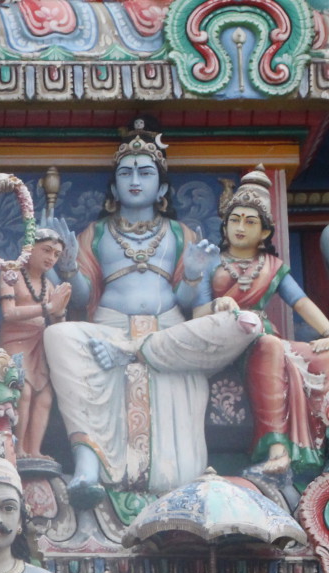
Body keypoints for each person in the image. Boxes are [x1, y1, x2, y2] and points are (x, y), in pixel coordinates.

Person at [45, 120, 260, 503]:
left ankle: (134, 351)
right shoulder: (96, 233)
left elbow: (192, 305)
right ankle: (87, 467)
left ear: (161, 188)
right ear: (113, 188)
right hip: (108, 330)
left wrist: (193, 273)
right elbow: (80, 298)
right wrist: (66, 267)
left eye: (145, 173)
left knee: (245, 323)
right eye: (125, 173)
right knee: (58, 335)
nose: (134, 181)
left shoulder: (180, 234)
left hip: (167, 335)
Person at [208, 169, 329, 477]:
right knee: (270, 346)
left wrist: (328, 332)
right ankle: (277, 448)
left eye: (250, 222)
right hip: (223, 338)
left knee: (324, 358)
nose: (240, 227)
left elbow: (300, 302)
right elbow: (192, 308)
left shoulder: (272, 266)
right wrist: (216, 307)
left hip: (261, 334)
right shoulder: (210, 261)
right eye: (235, 220)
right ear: (225, 224)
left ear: (264, 232)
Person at [0, 229, 71, 458]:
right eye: (46, 250)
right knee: (24, 391)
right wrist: (49, 307)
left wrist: (60, 310)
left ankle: (35, 450)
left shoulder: (49, 285)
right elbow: (8, 313)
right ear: (29, 248)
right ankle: (18, 449)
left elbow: (57, 323)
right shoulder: (11, 274)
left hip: (39, 342)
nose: (51, 258)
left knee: (45, 396)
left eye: (56, 255)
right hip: (15, 339)